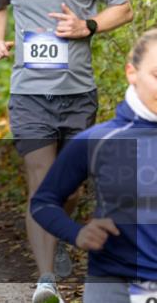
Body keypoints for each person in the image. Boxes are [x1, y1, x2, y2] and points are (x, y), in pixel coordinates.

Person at [0, 0, 133, 303]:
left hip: (78, 94)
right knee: (41, 180)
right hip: (29, 95)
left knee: (69, 190)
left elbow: (123, 8)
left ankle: (59, 234)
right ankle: (46, 280)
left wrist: (87, 25)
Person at [31, 29, 157, 303]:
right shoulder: (98, 140)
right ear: (131, 73)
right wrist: (77, 233)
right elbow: (43, 202)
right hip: (114, 282)